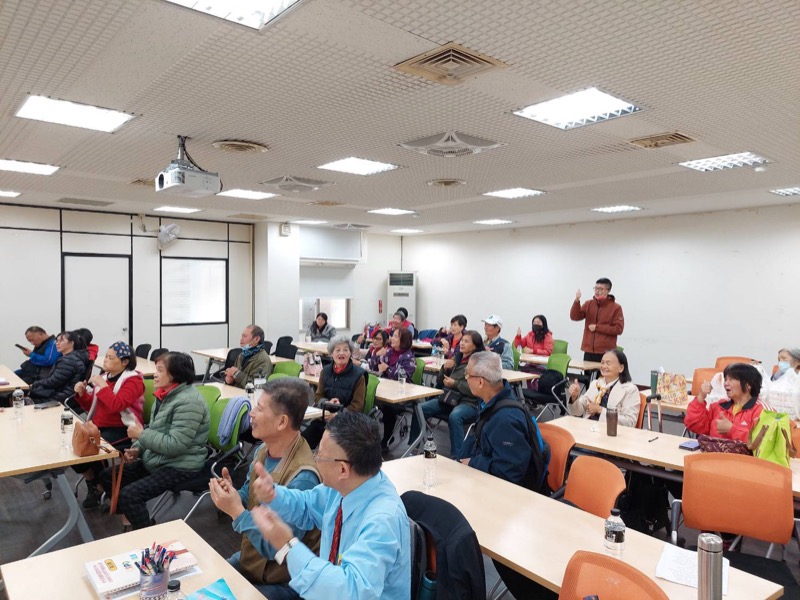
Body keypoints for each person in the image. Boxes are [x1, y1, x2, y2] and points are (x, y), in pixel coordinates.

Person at [249, 411, 411, 600]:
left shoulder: (383, 520)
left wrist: (287, 546)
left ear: (342, 469)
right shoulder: (345, 486)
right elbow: (306, 505)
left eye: (319, 455)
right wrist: (274, 495)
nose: (315, 459)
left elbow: (349, 592)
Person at [209, 378, 321, 600]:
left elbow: (277, 548)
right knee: (207, 582)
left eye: (259, 409)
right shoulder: (263, 450)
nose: (251, 414)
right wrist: (233, 495)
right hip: (253, 560)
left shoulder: (304, 477)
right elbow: (249, 494)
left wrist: (236, 512)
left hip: (283, 579)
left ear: (281, 422)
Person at [459, 351, 545, 600]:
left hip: (513, 501)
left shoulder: (505, 418)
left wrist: (473, 463)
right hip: (490, 485)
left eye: (467, 375)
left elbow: (509, 473)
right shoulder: (492, 404)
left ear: (480, 382)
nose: (465, 379)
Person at [99, 351, 210, 530]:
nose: (155, 375)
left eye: (160, 370)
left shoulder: (189, 402)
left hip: (181, 465)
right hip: (160, 458)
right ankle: (130, 520)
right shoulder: (165, 394)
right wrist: (138, 448)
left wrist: (141, 436)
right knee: (108, 476)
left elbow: (176, 445)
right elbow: (156, 429)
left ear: (175, 374)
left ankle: (148, 534)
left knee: (130, 495)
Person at [75, 341, 145, 508]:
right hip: (99, 426)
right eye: (105, 356)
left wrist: (102, 385)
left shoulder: (133, 381)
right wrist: (82, 394)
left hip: (124, 429)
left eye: (110, 357)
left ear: (125, 362)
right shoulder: (106, 377)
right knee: (75, 449)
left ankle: (102, 487)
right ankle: (95, 484)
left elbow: (117, 405)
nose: (105, 360)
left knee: (92, 447)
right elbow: (92, 406)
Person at [410, 330, 485, 458]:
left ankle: (458, 456)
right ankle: (414, 447)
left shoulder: (478, 363)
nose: (462, 343)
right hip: (449, 399)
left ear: (474, 346)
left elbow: (476, 388)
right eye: (462, 340)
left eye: (466, 341)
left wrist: (455, 383)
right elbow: (440, 383)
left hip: (469, 402)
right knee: (420, 409)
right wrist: (444, 368)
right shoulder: (457, 358)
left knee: (455, 416)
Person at [302, 336, 367, 449]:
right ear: (331, 353)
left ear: (350, 353)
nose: (342, 353)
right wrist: (327, 403)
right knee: (303, 443)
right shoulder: (325, 371)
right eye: (338, 350)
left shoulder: (359, 375)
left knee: (329, 446)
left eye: (345, 350)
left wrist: (337, 415)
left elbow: (357, 406)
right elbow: (318, 396)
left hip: (346, 420)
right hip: (325, 416)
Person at [685, 362, 769, 442]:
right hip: (714, 451)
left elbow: (764, 442)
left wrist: (732, 430)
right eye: (725, 379)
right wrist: (700, 397)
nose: (725, 383)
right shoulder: (719, 406)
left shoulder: (763, 411)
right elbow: (695, 426)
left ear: (748, 385)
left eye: (731, 379)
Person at [566, 349, 640, 427]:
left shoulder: (630, 389)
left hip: (611, 431)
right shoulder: (596, 384)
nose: (604, 366)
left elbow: (630, 423)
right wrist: (574, 397)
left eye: (608, 363)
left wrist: (600, 410)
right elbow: (576, 412)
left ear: (621, 368)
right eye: (602, 362)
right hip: (590, 428)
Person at [377, 327, 417, 452]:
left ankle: (386, 439)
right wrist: (376, 355)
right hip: (385, 388)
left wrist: (387, 369)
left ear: (403, 340)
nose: (391, 339)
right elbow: (375, 367)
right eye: (392, 336)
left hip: (401, 393)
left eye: (395, 336)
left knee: (388, 407)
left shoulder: (408, 357)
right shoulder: (389, 352)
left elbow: (404, 376)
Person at [570, 277, 624, 362]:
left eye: (601, 289)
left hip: (606, 352)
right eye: (596, 288)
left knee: (602, 371)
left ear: (608, 291)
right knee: (587, 371)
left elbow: (618, 329)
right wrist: (577, 301)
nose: (597, 291)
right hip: (588, 350)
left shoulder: (616, 307)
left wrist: (597, 328)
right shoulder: (589, 304)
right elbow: (574, 317)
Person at [28, 330, 89, 404]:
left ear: (71, 343)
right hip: (64, 395)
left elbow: (54, 382)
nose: (57, 343)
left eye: (61, 340)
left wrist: (34, 384)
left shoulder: (69, 361)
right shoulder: (72, 357)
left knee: (23, 401)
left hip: (61, 398)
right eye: (56, 340)